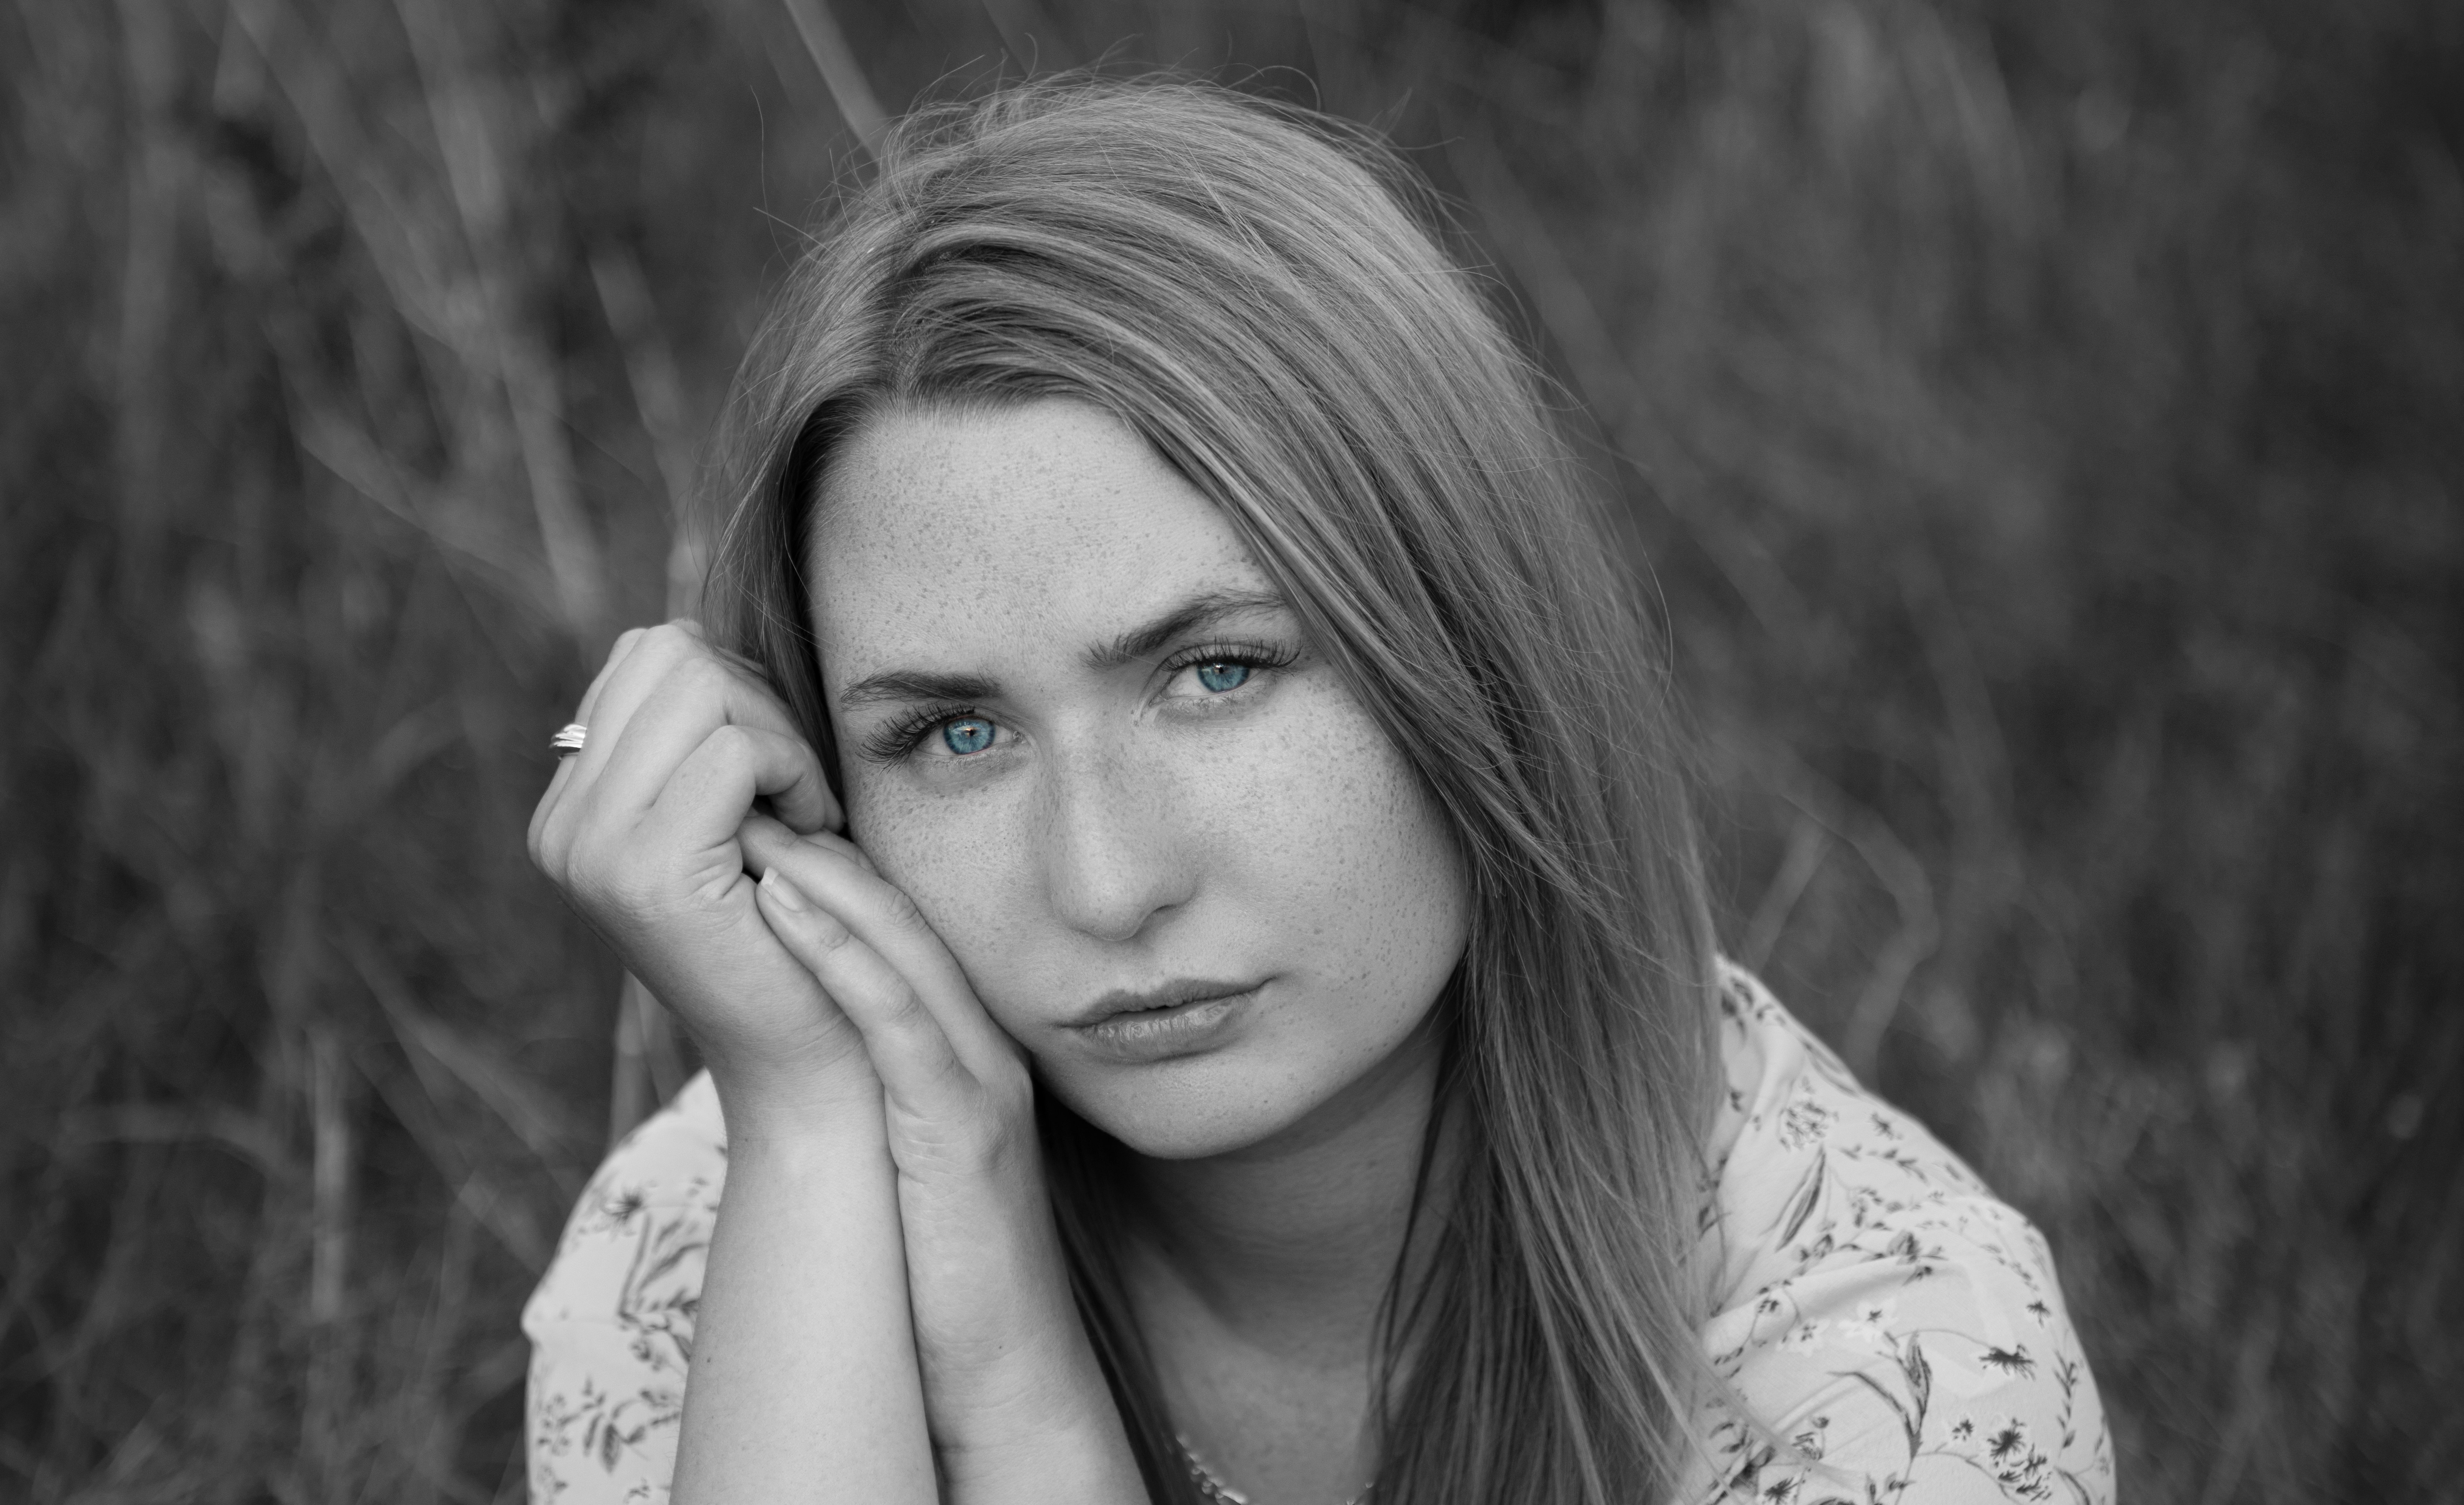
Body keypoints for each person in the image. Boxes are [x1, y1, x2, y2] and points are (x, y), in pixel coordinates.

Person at [520, 74, 2112, 1505]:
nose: (1106, 879)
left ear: (1481, 653)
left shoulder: (1885, 1363)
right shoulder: (724, 1228)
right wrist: (809, 1139)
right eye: (954, 732)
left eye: (1217, 670)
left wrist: (1031, 1427)